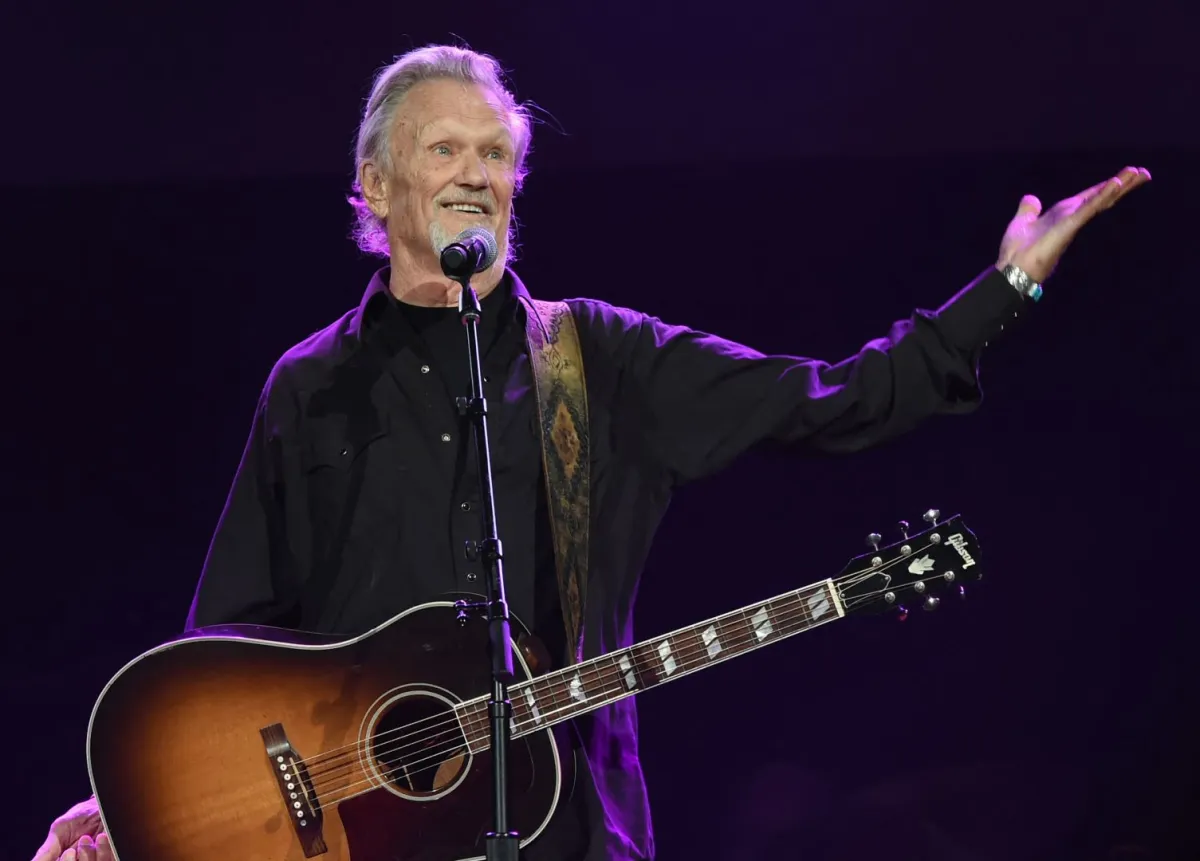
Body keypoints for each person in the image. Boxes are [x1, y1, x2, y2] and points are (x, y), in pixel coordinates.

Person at [31, 44, 1150, 861]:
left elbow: (832, 400)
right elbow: (225, 641)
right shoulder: (308, 385)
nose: (476, 171)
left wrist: (1008, 288)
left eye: (496, 154)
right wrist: (149, 812)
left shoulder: (598, 358)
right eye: (444, 149)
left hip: (570, 835)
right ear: (376, 188)